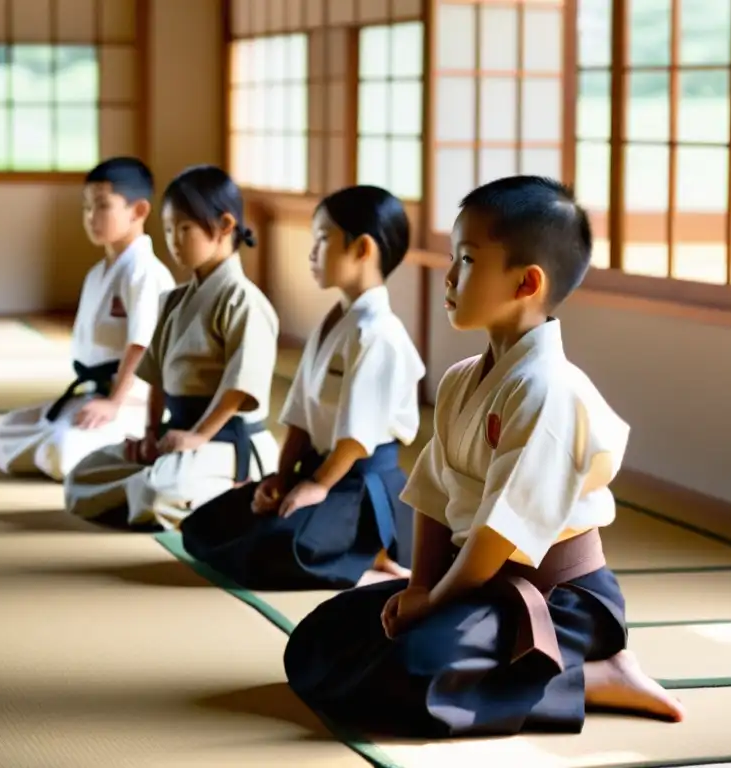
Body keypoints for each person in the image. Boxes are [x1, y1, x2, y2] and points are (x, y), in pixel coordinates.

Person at [283, 176, 686, 738]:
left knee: (412, 671)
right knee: (324, 637)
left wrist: (436, 600)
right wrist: (420, 587)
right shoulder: (459, 380)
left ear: (526, 282)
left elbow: (500, 531)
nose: (448, 276)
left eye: (467, 260)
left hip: (556, 600)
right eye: (453, 257)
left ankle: (597, 675)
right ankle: (513, 658)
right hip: (470, 582)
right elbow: (432, 494)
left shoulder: (550, 391)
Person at [180, 185, 426, 590]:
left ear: (363, 249)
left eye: (323, 240)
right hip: (318, 469)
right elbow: (299, 414)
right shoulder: (334, 320)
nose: (312, 252)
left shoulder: (380, 335)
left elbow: (355, 438)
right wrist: (282, 475)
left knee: (266, 552)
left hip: (357, 485)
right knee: (206, 527)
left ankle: (375, 549)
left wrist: (316, 485)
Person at [63, 165, 280, 529]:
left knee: (155, 493)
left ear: (225, 226)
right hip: (174, 434)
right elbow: (157, 378)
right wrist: (151, 434)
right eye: (167, 229)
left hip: (224, 440)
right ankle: (163, 487)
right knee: (82, 476)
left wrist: (199, 436)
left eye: (184, 228)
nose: (174, 240)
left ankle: (211, 489)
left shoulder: (245, 302)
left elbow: (238, 388)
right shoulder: (173, 301)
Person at [0, 157, 175, 481]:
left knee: (61, 449)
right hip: (93, 395)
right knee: (8, 429)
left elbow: (142, 345)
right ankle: (76, 439)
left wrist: (115, 402)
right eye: (86, 207)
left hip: (132, 403)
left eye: (102, 206)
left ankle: (136, 447)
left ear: (139, 211)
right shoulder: (97, 273)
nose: (91, 217)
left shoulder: (144, 272)